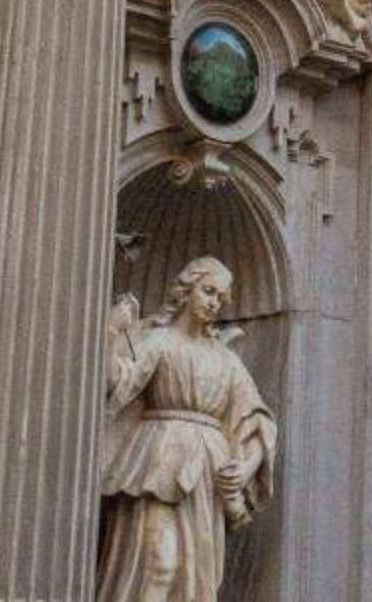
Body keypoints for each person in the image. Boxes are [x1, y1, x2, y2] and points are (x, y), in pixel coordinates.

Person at [98, 257, 275, 602]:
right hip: (155, 462)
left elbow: (258, 421)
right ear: (187, 289)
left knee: (195, 574)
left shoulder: (226, 360)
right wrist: (111, 330)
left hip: (207, 474)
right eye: (208, 291)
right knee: (158, 564)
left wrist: (247, 467)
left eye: (221, 298)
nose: (214, 303)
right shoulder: (160, 342)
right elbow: (117, 383)